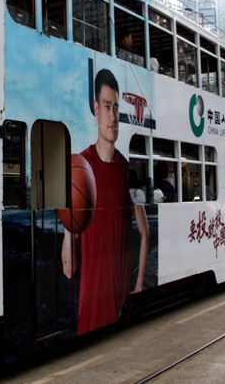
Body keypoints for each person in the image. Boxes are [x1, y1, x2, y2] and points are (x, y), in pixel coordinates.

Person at [61, 68, 149, 336]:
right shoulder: (81, 166)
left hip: (121, 303)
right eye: (107, 106)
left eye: (116, 108)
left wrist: (139, 284)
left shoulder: (126, 168)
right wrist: (69, 224)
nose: (113, 116)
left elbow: (145, 232)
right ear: (96, 109)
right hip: (93, 304)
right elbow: (69, 270)